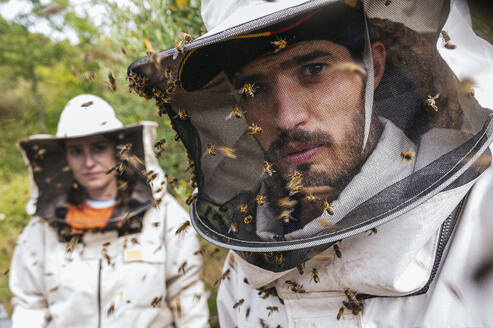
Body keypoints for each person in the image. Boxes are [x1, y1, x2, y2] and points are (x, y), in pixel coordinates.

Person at [127, 0, 493, 326]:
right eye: (253, 89)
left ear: (374, 67)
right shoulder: (248, 260)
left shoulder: (482, 217)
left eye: (314, 69)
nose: (286, 118)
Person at [9, 94, 209, 328]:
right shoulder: (42, 228)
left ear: (118, 150)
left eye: (98, 147)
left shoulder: (163, 214)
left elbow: (186, 296)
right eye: (76, 151)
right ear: (65, 158)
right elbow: (30, 306)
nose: (89, 162)